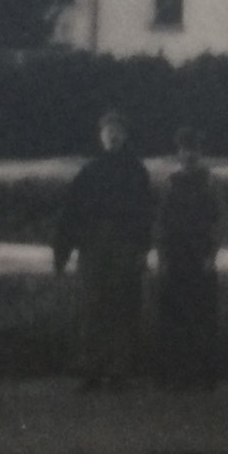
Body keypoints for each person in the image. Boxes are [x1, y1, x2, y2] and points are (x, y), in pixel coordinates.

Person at [54, 109, 153, 390]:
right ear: (100, 136)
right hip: (93, 245)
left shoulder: (136, 171)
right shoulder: (90, 172)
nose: (113, 135)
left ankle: (119, 370)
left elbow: (146, 213)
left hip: (125, 245)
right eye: (108, 131)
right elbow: (71, 212)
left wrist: (142, 249)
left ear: (126, 135)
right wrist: (62, 251)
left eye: (118, 130)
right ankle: (91, 368)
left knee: (123, 306)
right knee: (92, 306)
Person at [156, 127, 221, 389]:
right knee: (175, 316)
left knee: (202, 315)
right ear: (179, 153)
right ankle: (176, 375)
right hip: (176, 256)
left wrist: (211, 255)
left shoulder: (210, 182)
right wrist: (162, 257)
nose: (189, 154)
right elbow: (161, 222)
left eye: (193, 149)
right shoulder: (171, 183)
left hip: (200, 256)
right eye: (184, 149)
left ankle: (203, 375)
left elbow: (218, 222)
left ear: (200, 153)